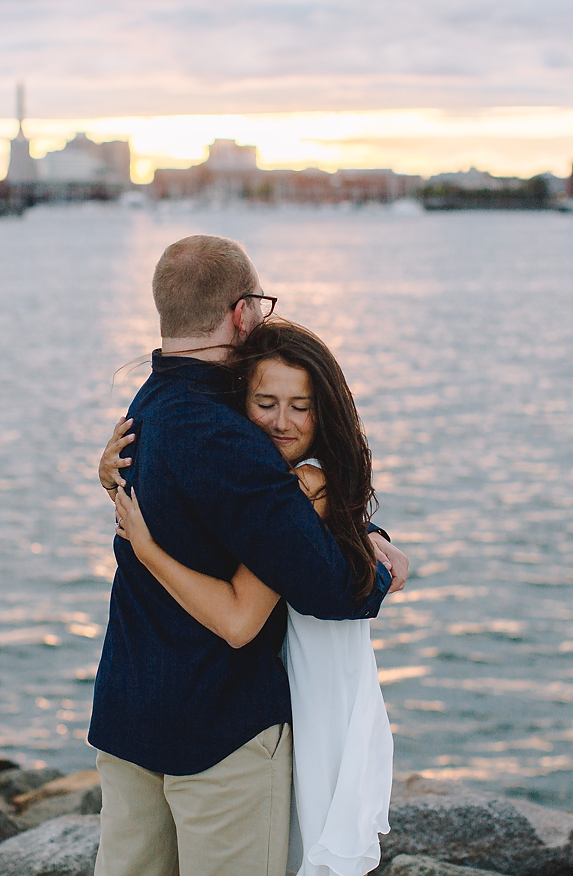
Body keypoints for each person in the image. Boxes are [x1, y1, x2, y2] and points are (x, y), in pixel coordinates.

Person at [88, 235, 409, 876]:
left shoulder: (145, 406)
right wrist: (376, 572)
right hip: (219, 730)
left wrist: (349, 525)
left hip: (131, 713)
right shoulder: (228, 437)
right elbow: (323, 589)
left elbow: (223, 519)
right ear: (240, 313)